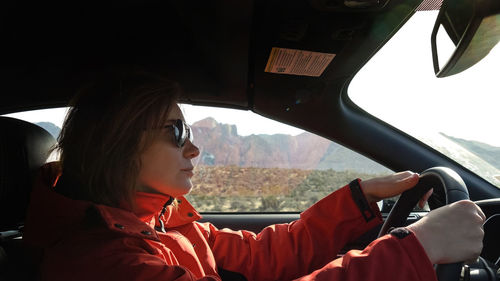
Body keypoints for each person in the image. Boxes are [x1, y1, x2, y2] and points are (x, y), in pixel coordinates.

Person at [23, 71, 485, 281]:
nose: (194, 147)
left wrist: (359, 198)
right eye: (175, 130)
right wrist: (416, 251)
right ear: (119, 142)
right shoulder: (106, 265)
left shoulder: (162, 225)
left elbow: (267, 252)